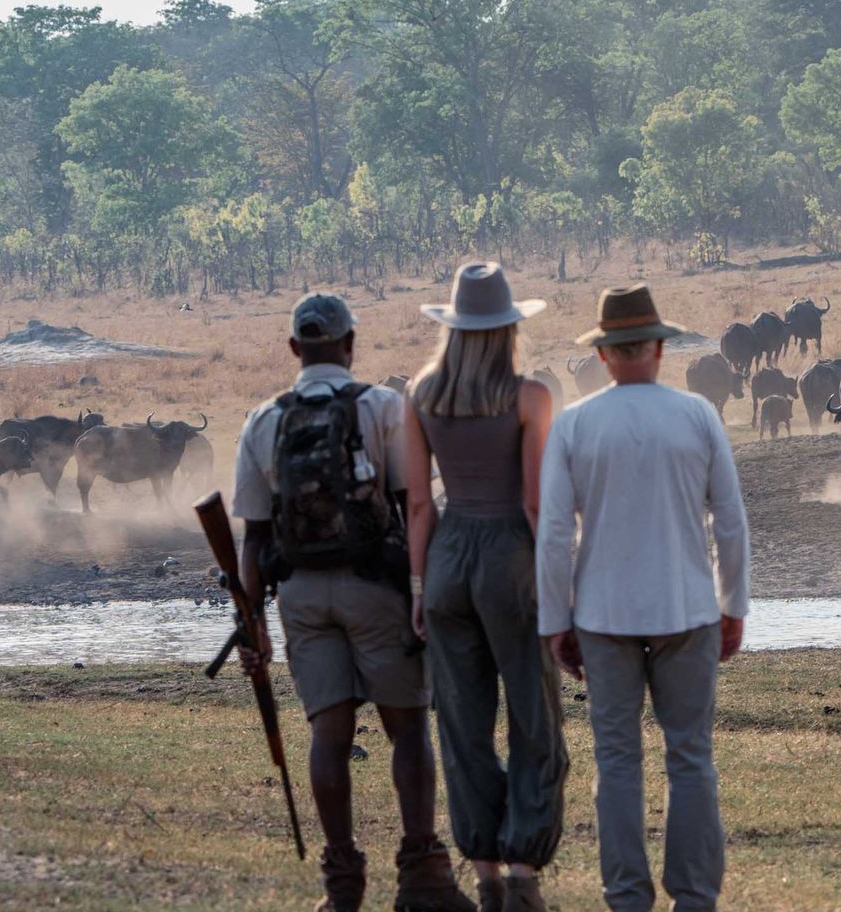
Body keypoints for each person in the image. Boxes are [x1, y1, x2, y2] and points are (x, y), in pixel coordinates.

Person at [235, 292, 476, 912]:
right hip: (378, 589)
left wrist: (252, 622)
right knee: (407, 729)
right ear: (350, 344)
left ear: (294, 349)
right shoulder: (381, 406)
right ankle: (422, 877)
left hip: (301, 596)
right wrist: (425, 594)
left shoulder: (264, 420)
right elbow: (410, 507)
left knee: (329, 734)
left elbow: (255, 535)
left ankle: (342, 888)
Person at [535, 284, 750, 912]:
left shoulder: (575, 423)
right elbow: (730, 521)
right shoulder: (697, 416)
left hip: (602, 614)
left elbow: (553, 533)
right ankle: (695, 896)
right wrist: (732, 604)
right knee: (690, 756)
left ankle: (627, 896)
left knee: (618, 760)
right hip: (687, 606)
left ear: (603, 355)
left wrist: (556, 619)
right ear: (659, 347)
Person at [402, 263, 568, 912]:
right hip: (510, 559)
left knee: (462, 724)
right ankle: (524, 870)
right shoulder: (530, 398)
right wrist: (559, 580)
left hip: (446, 561)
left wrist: (420, 587)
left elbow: (420, 505)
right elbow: (534, 503)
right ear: (507, 330)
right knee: (534, 717)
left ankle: (485, 872)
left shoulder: (420, 396)